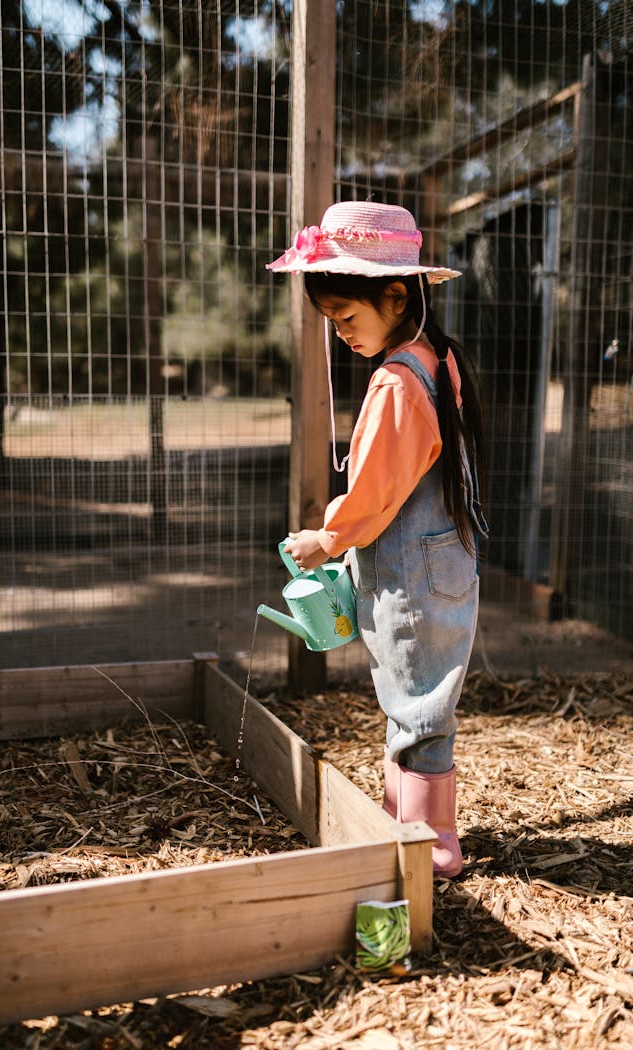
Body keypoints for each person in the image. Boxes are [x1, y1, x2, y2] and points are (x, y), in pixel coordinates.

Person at [267, 200, 488, 877]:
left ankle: (429, 843)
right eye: (332, 322)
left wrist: (327, 540)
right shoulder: (435, 357)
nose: (341, 335)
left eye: (347, 318)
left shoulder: (397, 382)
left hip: (413, 577)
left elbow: (376, 489)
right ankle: (404, 823)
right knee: (414, 693)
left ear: (396, 295)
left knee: (418, 702)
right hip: (441, 561)